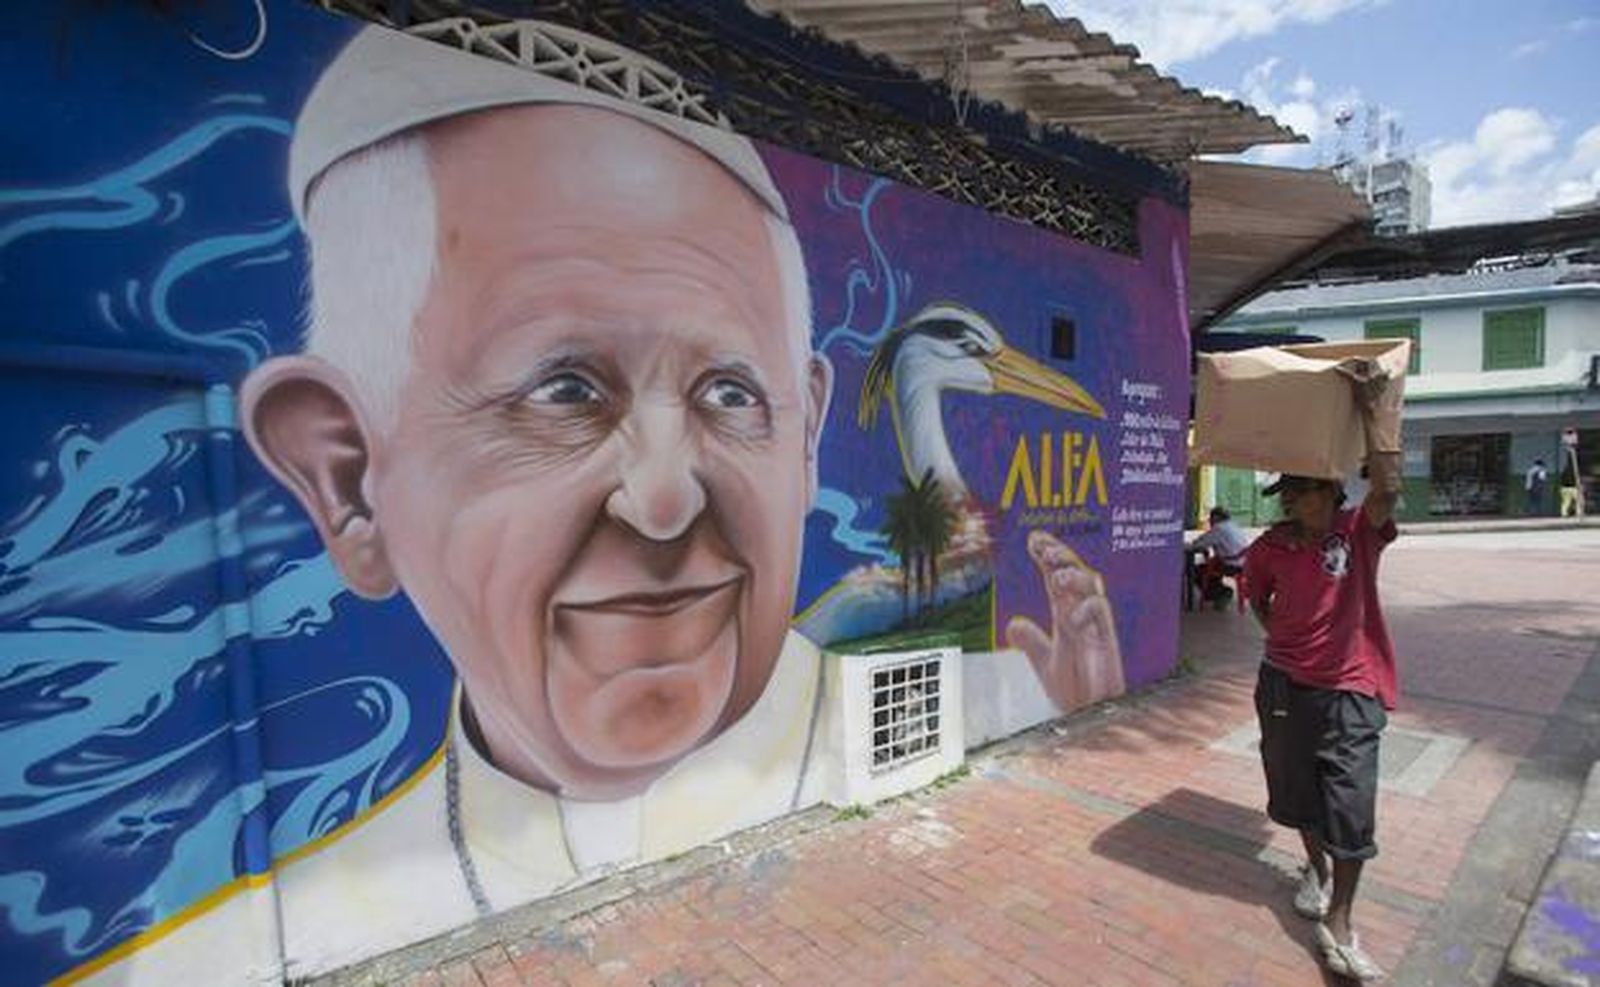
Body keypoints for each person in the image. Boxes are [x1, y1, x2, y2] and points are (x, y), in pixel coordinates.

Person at [44, 24, 1127, 984]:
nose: (662, 500)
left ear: (804, 436)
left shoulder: (1017, 682)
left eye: (729, 394)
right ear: (345, 482)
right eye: (563, 391)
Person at [1243, 361, 1401, 982]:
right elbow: (1256, 599)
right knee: (1298, 793)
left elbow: (1386, 485)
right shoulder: (1268, 547)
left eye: (1303, 488)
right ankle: (1316, 867)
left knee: (1351, 805)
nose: (1292, 499)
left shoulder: (1358, 533)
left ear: (1333, 491)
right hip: (1283, 685)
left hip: (1352, 688)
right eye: (1286, 491)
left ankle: (1340, 918)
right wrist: (1283, 638)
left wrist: (1372, 408)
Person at [1189, 506, 1250, 608]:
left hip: (1232, 565)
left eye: (1211, 518)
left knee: (1196, 570)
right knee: (1211, 566)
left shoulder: (1219, 529)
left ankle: (1221, 593)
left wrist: (1195, 542)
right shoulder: (1233, 525)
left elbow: (1199, 544)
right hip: (1244, 563)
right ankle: (1218, 592)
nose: (1210, 521)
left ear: (1216, 518)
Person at [1560, 451, 1581, 517]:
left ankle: (1564, 513)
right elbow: (1577, 479)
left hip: (1564, 488)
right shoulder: (1575, 471)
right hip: (1572, 487)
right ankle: (1578, 512)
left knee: (1566, 502)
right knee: (1578, 500)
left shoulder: (1564, 472)